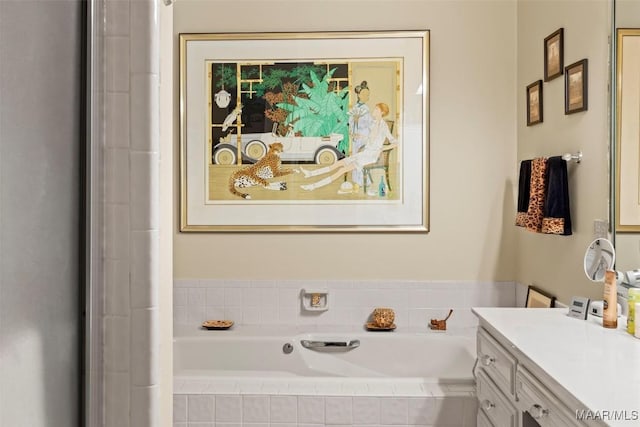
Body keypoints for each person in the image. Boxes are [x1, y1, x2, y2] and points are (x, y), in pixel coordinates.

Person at [300, 102, 397, 194]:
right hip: (364, 153)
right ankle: (310, 174)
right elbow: (371, 139)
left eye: (376, 109)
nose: (374, 110)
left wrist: (382, 149)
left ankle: (313, 186)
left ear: (382, 112)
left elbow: (395, 142)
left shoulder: (383, 126)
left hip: (370, 156)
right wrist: (360, 136)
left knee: (342, 170)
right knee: (339, 163)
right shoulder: (373, 123)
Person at [347, 81, 372, 188]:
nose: (367, 96)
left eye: (368, 94)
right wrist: (352, 133)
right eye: (364, 94)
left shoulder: (366, 108)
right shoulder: (356, 107)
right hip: (357, 136)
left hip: (364, 135)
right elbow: (351, 121)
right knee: (357, 156)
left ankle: (363, 180)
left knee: (362, 157)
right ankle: (357, 180)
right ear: (358, 95)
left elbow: (369, 123)